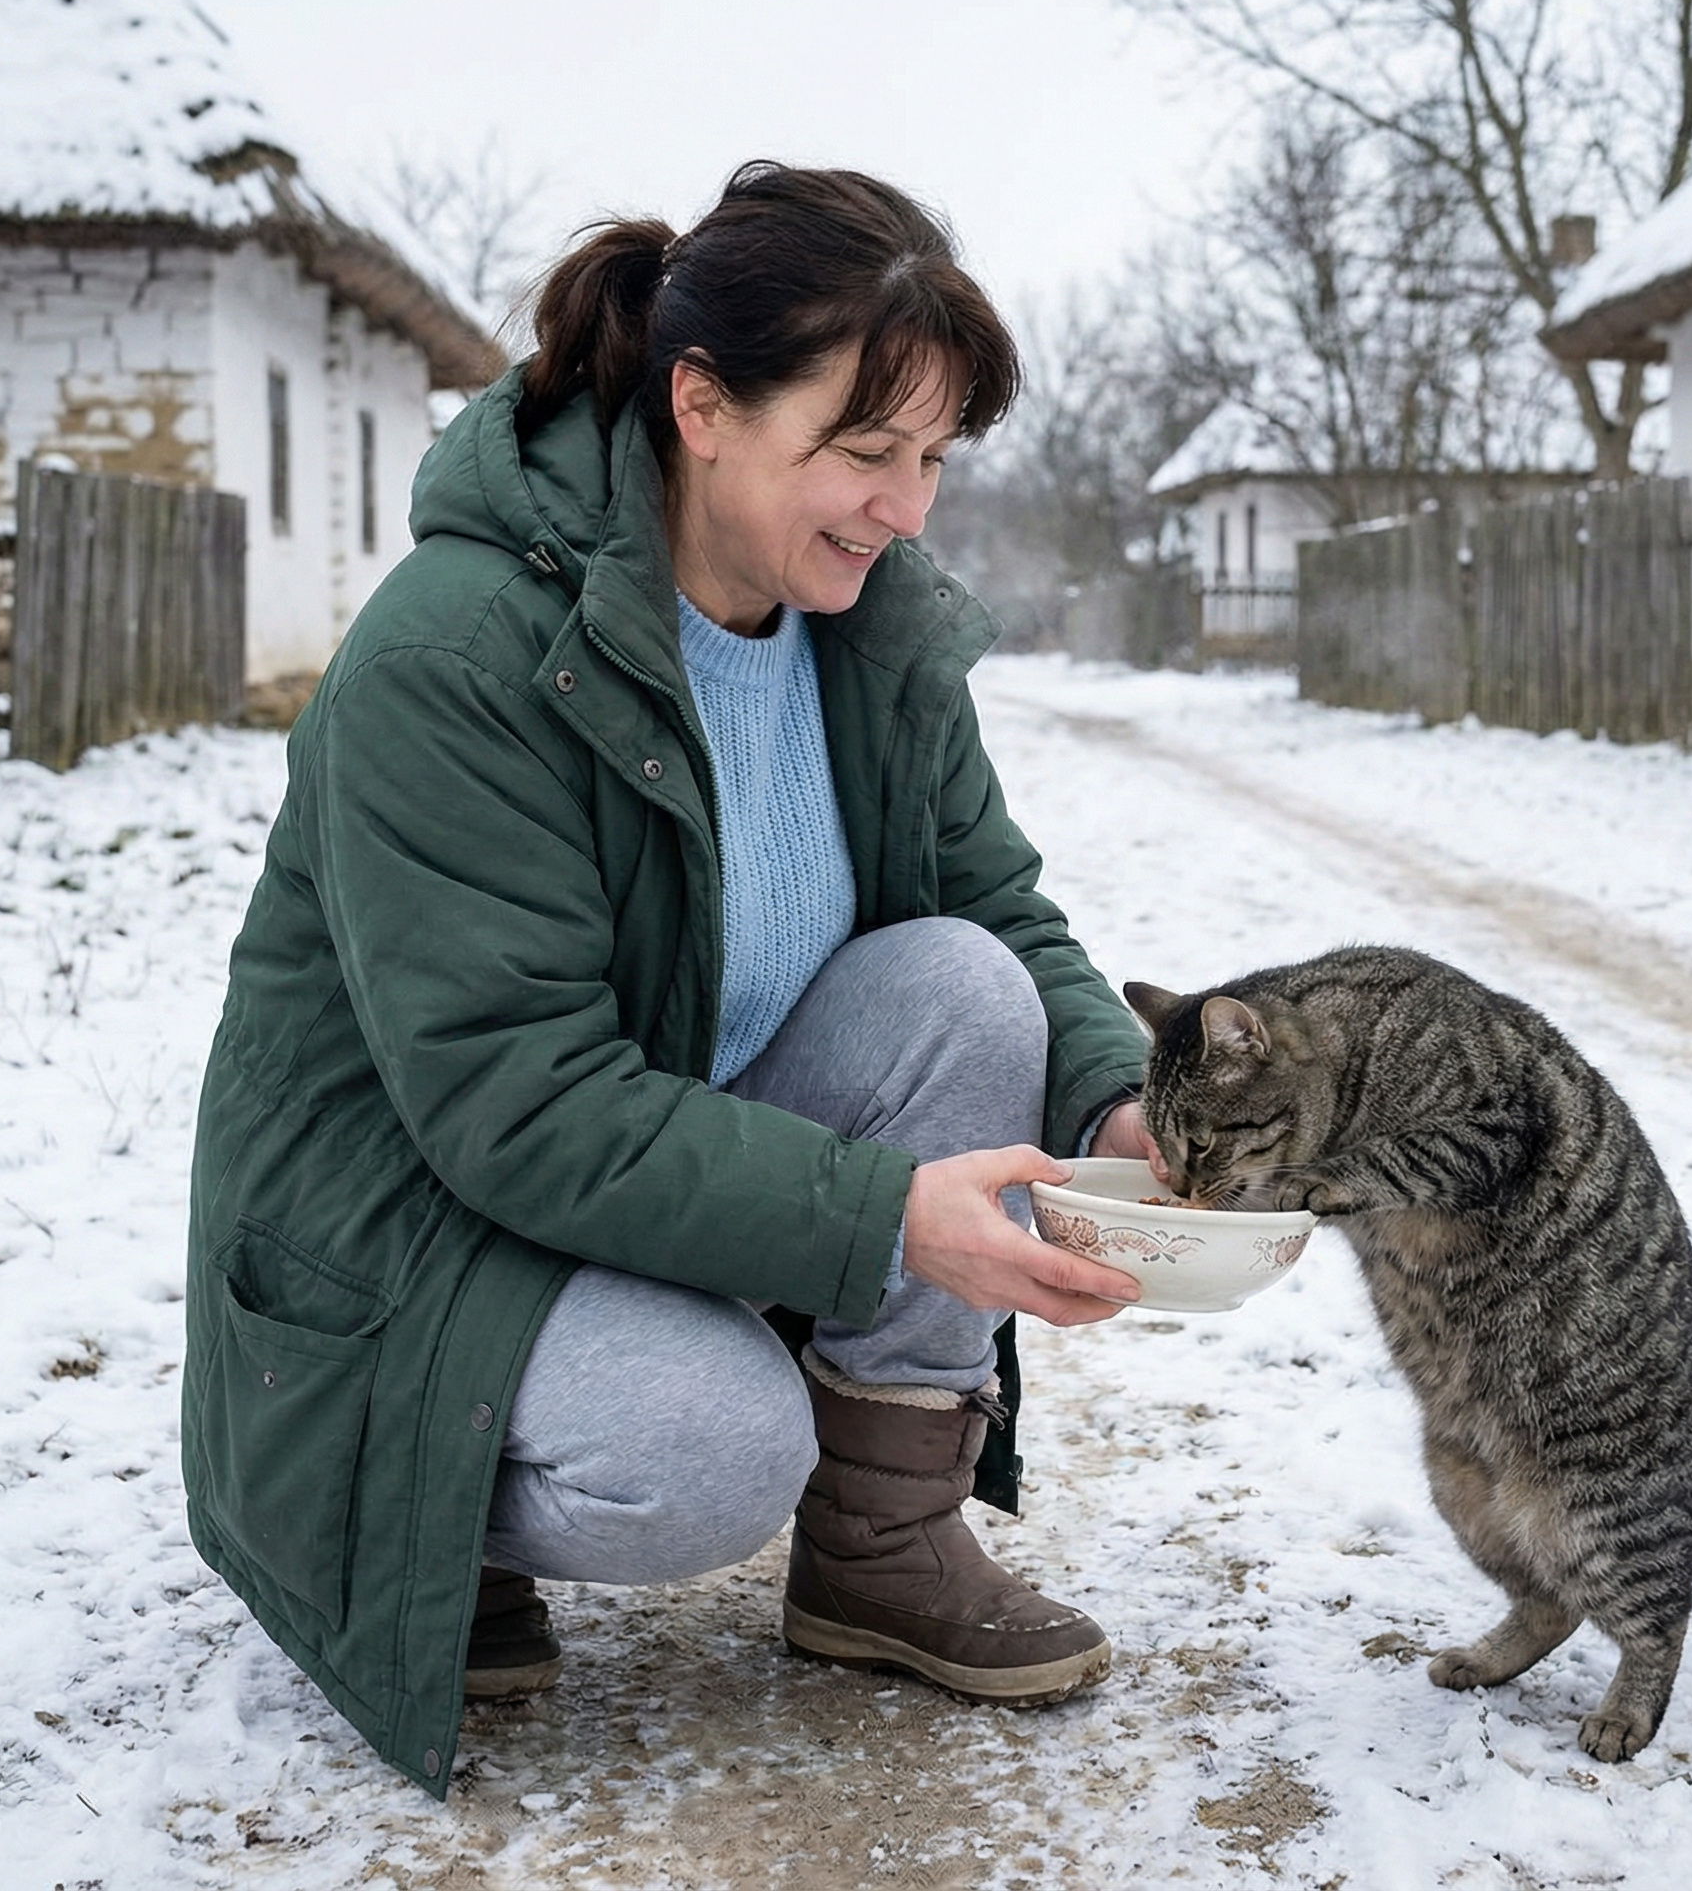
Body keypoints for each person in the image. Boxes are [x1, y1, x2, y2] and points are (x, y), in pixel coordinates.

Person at [181, 161, 1156, 1799]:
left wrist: (1123, 1108)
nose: (906, 508)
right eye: (863, 452)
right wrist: (874, 1218)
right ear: (703, 404)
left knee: (970, 986)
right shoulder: (462, 653)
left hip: (638, 1152)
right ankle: (400, 1488)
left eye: (931, 458)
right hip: (417, 1215)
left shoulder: (866, 628)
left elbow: (997, 905)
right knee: (710, 1451)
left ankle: (881, 1551)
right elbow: (517, 1101)